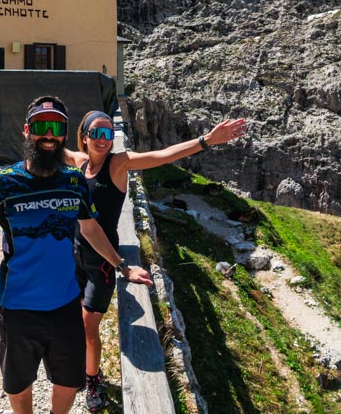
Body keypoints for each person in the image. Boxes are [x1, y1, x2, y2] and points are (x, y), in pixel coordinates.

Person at [0, 95, 152, 414]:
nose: (48, 134)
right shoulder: (2, 183)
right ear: (27, 131)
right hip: (16, 309)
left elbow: (92, 229)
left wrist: (122, 267)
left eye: (56, 127)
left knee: (68, 383)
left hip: (66, 307)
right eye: (41, 126)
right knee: (19, 386)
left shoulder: (72, 181)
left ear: (66, 133)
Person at [70, 112, 247, 412]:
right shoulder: (80, 163)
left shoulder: (118, 163)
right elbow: (55, 150)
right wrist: (36, 135)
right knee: (74, 319)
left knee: (89, 327)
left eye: (107, 135)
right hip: (75, 255)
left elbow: (162, 155)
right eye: (96, 134)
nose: (102, 140)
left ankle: (92, 380)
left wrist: (206, 141)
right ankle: (81, 366)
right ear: (84, 137)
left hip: (104, 262)